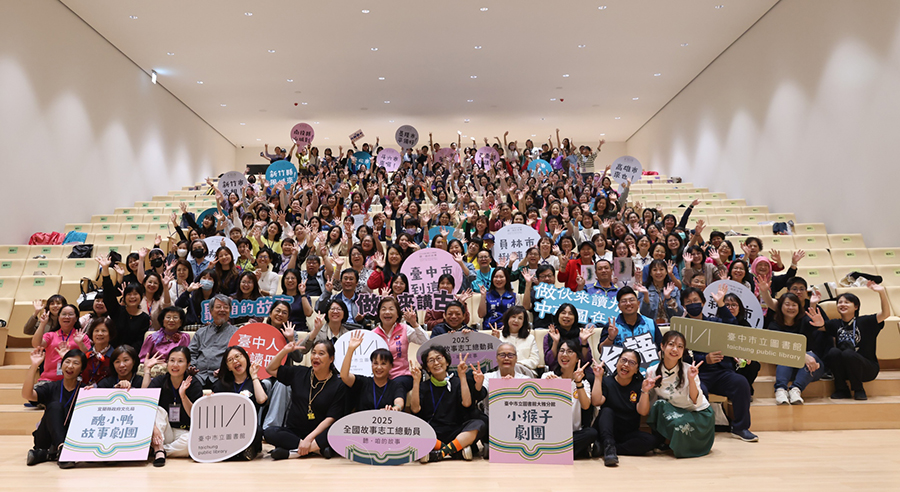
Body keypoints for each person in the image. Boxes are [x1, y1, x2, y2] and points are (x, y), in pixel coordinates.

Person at [680, 286, 757, 442]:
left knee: (741, 382)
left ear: (703, 302)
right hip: (698, 374)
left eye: (696, 300)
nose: (693, 304)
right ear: (684, 306)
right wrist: (704, 359)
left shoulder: (714, 322)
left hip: (722, 372)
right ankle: (702, 430)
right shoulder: (681, 328)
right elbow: (681, 356)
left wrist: (721, 303)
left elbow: (732, 326)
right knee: (700, 390)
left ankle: (740, 428)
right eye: (689, 302)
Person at [265, 340, 345, 460]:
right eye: (313, 353)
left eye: (321, 353)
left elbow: (331, 418)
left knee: (336, 431)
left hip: (319, 434)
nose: (316, 357)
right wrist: (285, 351)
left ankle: (293, 453)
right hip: (295, 432)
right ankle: (317, 450)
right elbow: (270, 369)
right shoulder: (300, 372)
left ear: (331, 359)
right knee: (269, 432)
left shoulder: (338, 384)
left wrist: (309, 439)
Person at [645, 330, 715, 458]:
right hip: (676, 411)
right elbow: (649, 404)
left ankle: (677, 444)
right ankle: (663, 440)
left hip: (698, 413)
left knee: (679, 424)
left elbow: (695, 400)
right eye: (671, 344)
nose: (675, 349)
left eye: (680, 346)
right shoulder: (651, 371)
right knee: (658, 405)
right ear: (662, 346)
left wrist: (691, 379)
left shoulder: (689, 369)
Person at [411, 346, 486, 462]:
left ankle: (440, 453)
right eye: (431, 360)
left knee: (479, 424)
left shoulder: (457, 382)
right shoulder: (423, 386)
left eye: (439, 358)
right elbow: (415, 409)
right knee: (413, 429)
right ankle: (455, 451)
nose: (436, 363)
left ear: (447, 362)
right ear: (427, 369)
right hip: (433, 432)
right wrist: (416, 381)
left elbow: (467, 403)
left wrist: (462, 376)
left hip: (456, 432)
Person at [592, 348, 662, 467]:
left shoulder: (640, 384)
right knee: (607, 411)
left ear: (637, 369)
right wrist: (598, 378)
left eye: (631, 363)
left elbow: (643, 412)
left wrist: (645, 391)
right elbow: (596, 401)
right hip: (607, 430)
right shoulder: (607, 381)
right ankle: (608, 447)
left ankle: (609, 448)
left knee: (651, 441)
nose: (626, 365)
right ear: (617, 363)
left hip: (628, 433)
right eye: (623, 360)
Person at [821, 281, 890, 400]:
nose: (842, 304)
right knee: (833, 352)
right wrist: (813, 304)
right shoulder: (835, 323)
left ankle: (858, 389)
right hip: (845, 369)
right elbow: (817, 326)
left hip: (867, 369)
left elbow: (885, 314)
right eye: (840, 302)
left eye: (847, 302)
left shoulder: (865, 321)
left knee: (848, 353)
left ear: (856, 307)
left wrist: (882, 292)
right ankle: (841, 389)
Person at [22, 347, 85, 468]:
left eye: (76, 363)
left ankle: (47, 454)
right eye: (67, 362)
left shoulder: (85, 390)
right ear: (61, 365)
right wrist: (34, 366)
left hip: (71, 438)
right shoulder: (51, 387)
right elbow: (27, 395)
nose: (70, 366)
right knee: (55, 405)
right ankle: (62, 450)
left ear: (82, 369)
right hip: (46, 438)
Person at [143, 346, 203, 466]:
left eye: (180, 361)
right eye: (172, 360)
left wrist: (183, 396)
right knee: (158, 410)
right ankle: (158, 448)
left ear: (188, 364)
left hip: (183, 431)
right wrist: (153, 428)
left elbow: (195, 416)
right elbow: (145, 402)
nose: (175, 365)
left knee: (192, 442)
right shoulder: (160, 381)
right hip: (163, 430)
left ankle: (158, 450)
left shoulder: (194, 384)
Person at [541, 339, 597, 459]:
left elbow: (586, 406)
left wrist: (578, 382)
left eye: (570, 351)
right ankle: (567, 452)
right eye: (561, 351)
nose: (564, 354)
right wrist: (552, 386)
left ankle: (555, 452)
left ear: (577, 358)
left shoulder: (584, 383)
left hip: (572, 434)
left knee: (591, 433)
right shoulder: (547, 376)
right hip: (551, 432)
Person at [767, 293, 826, 405]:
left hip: (809, 368)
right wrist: (802, 356)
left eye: (794, 305)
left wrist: (820, 323)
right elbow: (781, 347)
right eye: (787, 304)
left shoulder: (804, 321)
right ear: (780, 306)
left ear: (799, 307)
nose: (791, 307)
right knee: (786, 356)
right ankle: (780, 390)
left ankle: (795, 390)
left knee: (812, 358)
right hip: (786, 368)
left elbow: (814, 323)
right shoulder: (774, 325)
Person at [212, 346, 267, 461]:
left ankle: (246, 451)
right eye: (230, 360)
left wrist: (254, 376)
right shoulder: (221, 384)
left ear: (246, 358)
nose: (235, 361)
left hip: (248, 427)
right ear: (228, 367)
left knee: (257, 430)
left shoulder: (255, 382)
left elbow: (262, 400)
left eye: (238, 356)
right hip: (226, 428)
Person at [599, 287, 663, 374]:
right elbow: (601, 351)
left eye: (631, 300)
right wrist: (611, 338)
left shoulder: (650, 323)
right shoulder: (612, 325)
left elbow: (661, 348)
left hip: (648, 372)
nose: (628, 303)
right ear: (619, 306)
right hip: (620, 374)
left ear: (638, 303)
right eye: (624, 301)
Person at [372, 296, 428, 393]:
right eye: (383, 309)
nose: (387, 312)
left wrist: (414, 324)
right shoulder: (373, 334)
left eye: (391, 309)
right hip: (380, 376)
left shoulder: (405, 329)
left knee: (396, 385)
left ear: (398, 314)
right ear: (379, 313)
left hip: (402, 375)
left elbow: (425, 342)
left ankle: (397, 403)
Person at [340, 331, 406, 412]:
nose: (379, 367)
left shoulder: (395, 385)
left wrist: (395, 408)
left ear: (391, 366)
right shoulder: (363, 382)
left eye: (383, 364)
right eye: (375, 363)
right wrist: (350, 349)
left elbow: (399, 402)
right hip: (363, 420)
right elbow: (344, 376)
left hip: (387, 420)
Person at [97, 256, 151, 350]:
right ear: (124, 297)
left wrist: (125, 352)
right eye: (129, 294)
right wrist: (105, 270)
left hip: (131, 354)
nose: (132, 297)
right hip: (112, 352)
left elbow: (140, 342)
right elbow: (109, 295)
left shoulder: (145, 318)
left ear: (141, 297)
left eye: (135, 294)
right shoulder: (117, 311)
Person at [188, 294, 238, 389]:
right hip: (199, 375)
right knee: (189, 386)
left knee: (223, 386)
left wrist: (225, 370)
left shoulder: (236, 333)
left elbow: (239, 357)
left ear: (230, 311)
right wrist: (192, 367)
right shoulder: (201, 332)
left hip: (222, 376)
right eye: (218, 307)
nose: (222, 310)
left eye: (226, 307)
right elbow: (191, 353)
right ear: (211, 311)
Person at [544, 303, 594, 375]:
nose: (566, 316)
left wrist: (584, 342)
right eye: (563, 313)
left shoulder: (580, 335)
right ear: (558, 316)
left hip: (580, 372)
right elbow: (549, 362)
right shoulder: (550, 335)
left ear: (575, 317)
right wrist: (555, 342)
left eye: (570, 314)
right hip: (557, 372)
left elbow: (587, 361)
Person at [490, 306, 539, 376]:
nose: (516, 320)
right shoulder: (499, 336)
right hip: (502, 371)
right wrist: (495, 341)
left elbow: (535, 360)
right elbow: (492, 360)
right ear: (508, 319)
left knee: (514, 368)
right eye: (513, 317)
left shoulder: (530, 338)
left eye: (520, 318)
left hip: (526, 372)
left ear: (524, 322)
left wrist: (515, 364)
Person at [78, 317, 115, 387]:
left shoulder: (115, 356)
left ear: (110, 334)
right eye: (96, 331)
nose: (100, 334)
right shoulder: (86, 355)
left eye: (104, 331)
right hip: (84, 391)